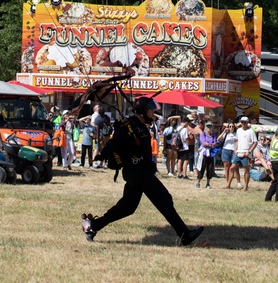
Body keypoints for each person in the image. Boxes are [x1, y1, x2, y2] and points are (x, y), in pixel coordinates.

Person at [81, 97, 203, 246]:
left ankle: (93, 226)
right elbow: (114, 142)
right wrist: (102, 155)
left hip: (140, 172)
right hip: (137, 172)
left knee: (127, 208)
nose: (154, 114)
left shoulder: (140, 125)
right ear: (144, 111)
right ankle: (185, 235)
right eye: (152, 111)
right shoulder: (129, 126)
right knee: (163, 199)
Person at [232, 116, 256, 191]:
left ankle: (246, 186)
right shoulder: (239, 130)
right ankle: (231, 183)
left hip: (246, 152)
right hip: (239, 152)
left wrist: (249, 151)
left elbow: (255, 142)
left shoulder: (251, 131)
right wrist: (235, 149)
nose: (243, 123)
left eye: (245, 122)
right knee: (232, 168)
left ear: (247, 122)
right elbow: (237, 140)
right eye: (242, 122)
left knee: (246, 170)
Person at [195, 122, 217, 188]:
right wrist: (210, 144)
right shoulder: (203, 134)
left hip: (210, 154)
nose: (209, 128)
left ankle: (208, 183)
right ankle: (198, 182)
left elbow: (215, 143)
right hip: (204, 153)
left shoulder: (213, 135)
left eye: (210, 127)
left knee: (210, 168)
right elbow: (203, 142)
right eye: (207, 126)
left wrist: (211, 144)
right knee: (202, 168)